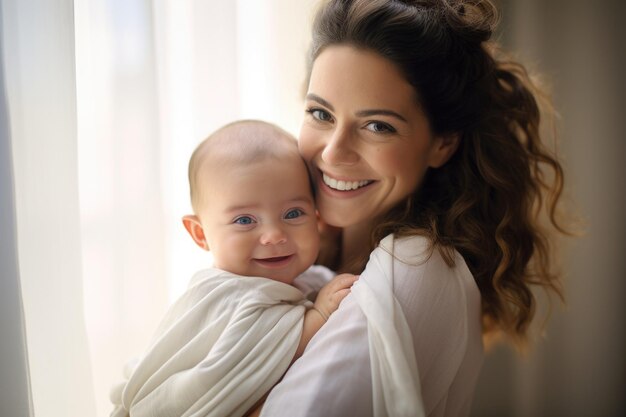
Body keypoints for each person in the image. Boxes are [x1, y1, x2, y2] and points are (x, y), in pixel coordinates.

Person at [258, 1, 569, 416]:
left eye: (378, 126)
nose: (333, 153)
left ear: (442, 143)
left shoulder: (417, 263)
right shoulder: (309, 259)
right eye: (321, 113)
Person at [109, 120, 358, 417]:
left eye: (293, 213)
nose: (274, 235)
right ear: (200, 234)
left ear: (317, 216)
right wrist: (318, 316)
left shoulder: (311, 280)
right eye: (244, 221)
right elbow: (247, 358)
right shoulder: (221, 296)